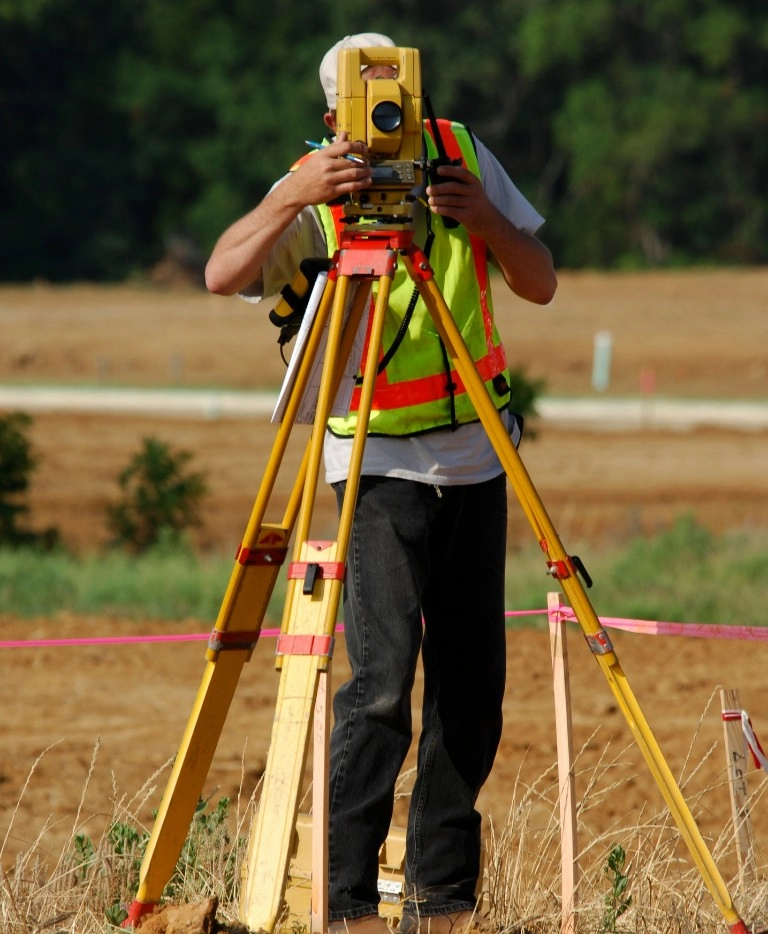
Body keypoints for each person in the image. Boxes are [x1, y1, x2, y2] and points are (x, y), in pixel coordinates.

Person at [206, 32, 557, 934]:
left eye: (397, 99)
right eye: (365, 111)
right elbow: (222, 273)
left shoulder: (461, 153)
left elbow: (540, 281)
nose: (389, 124)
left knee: (470, 690)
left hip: (477, 455)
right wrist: (297, 192)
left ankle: (441, 900)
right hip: (375, 462)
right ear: (331, 120)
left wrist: (481, 216)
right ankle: (347, 901)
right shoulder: (315, 189)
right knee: (379, 687)